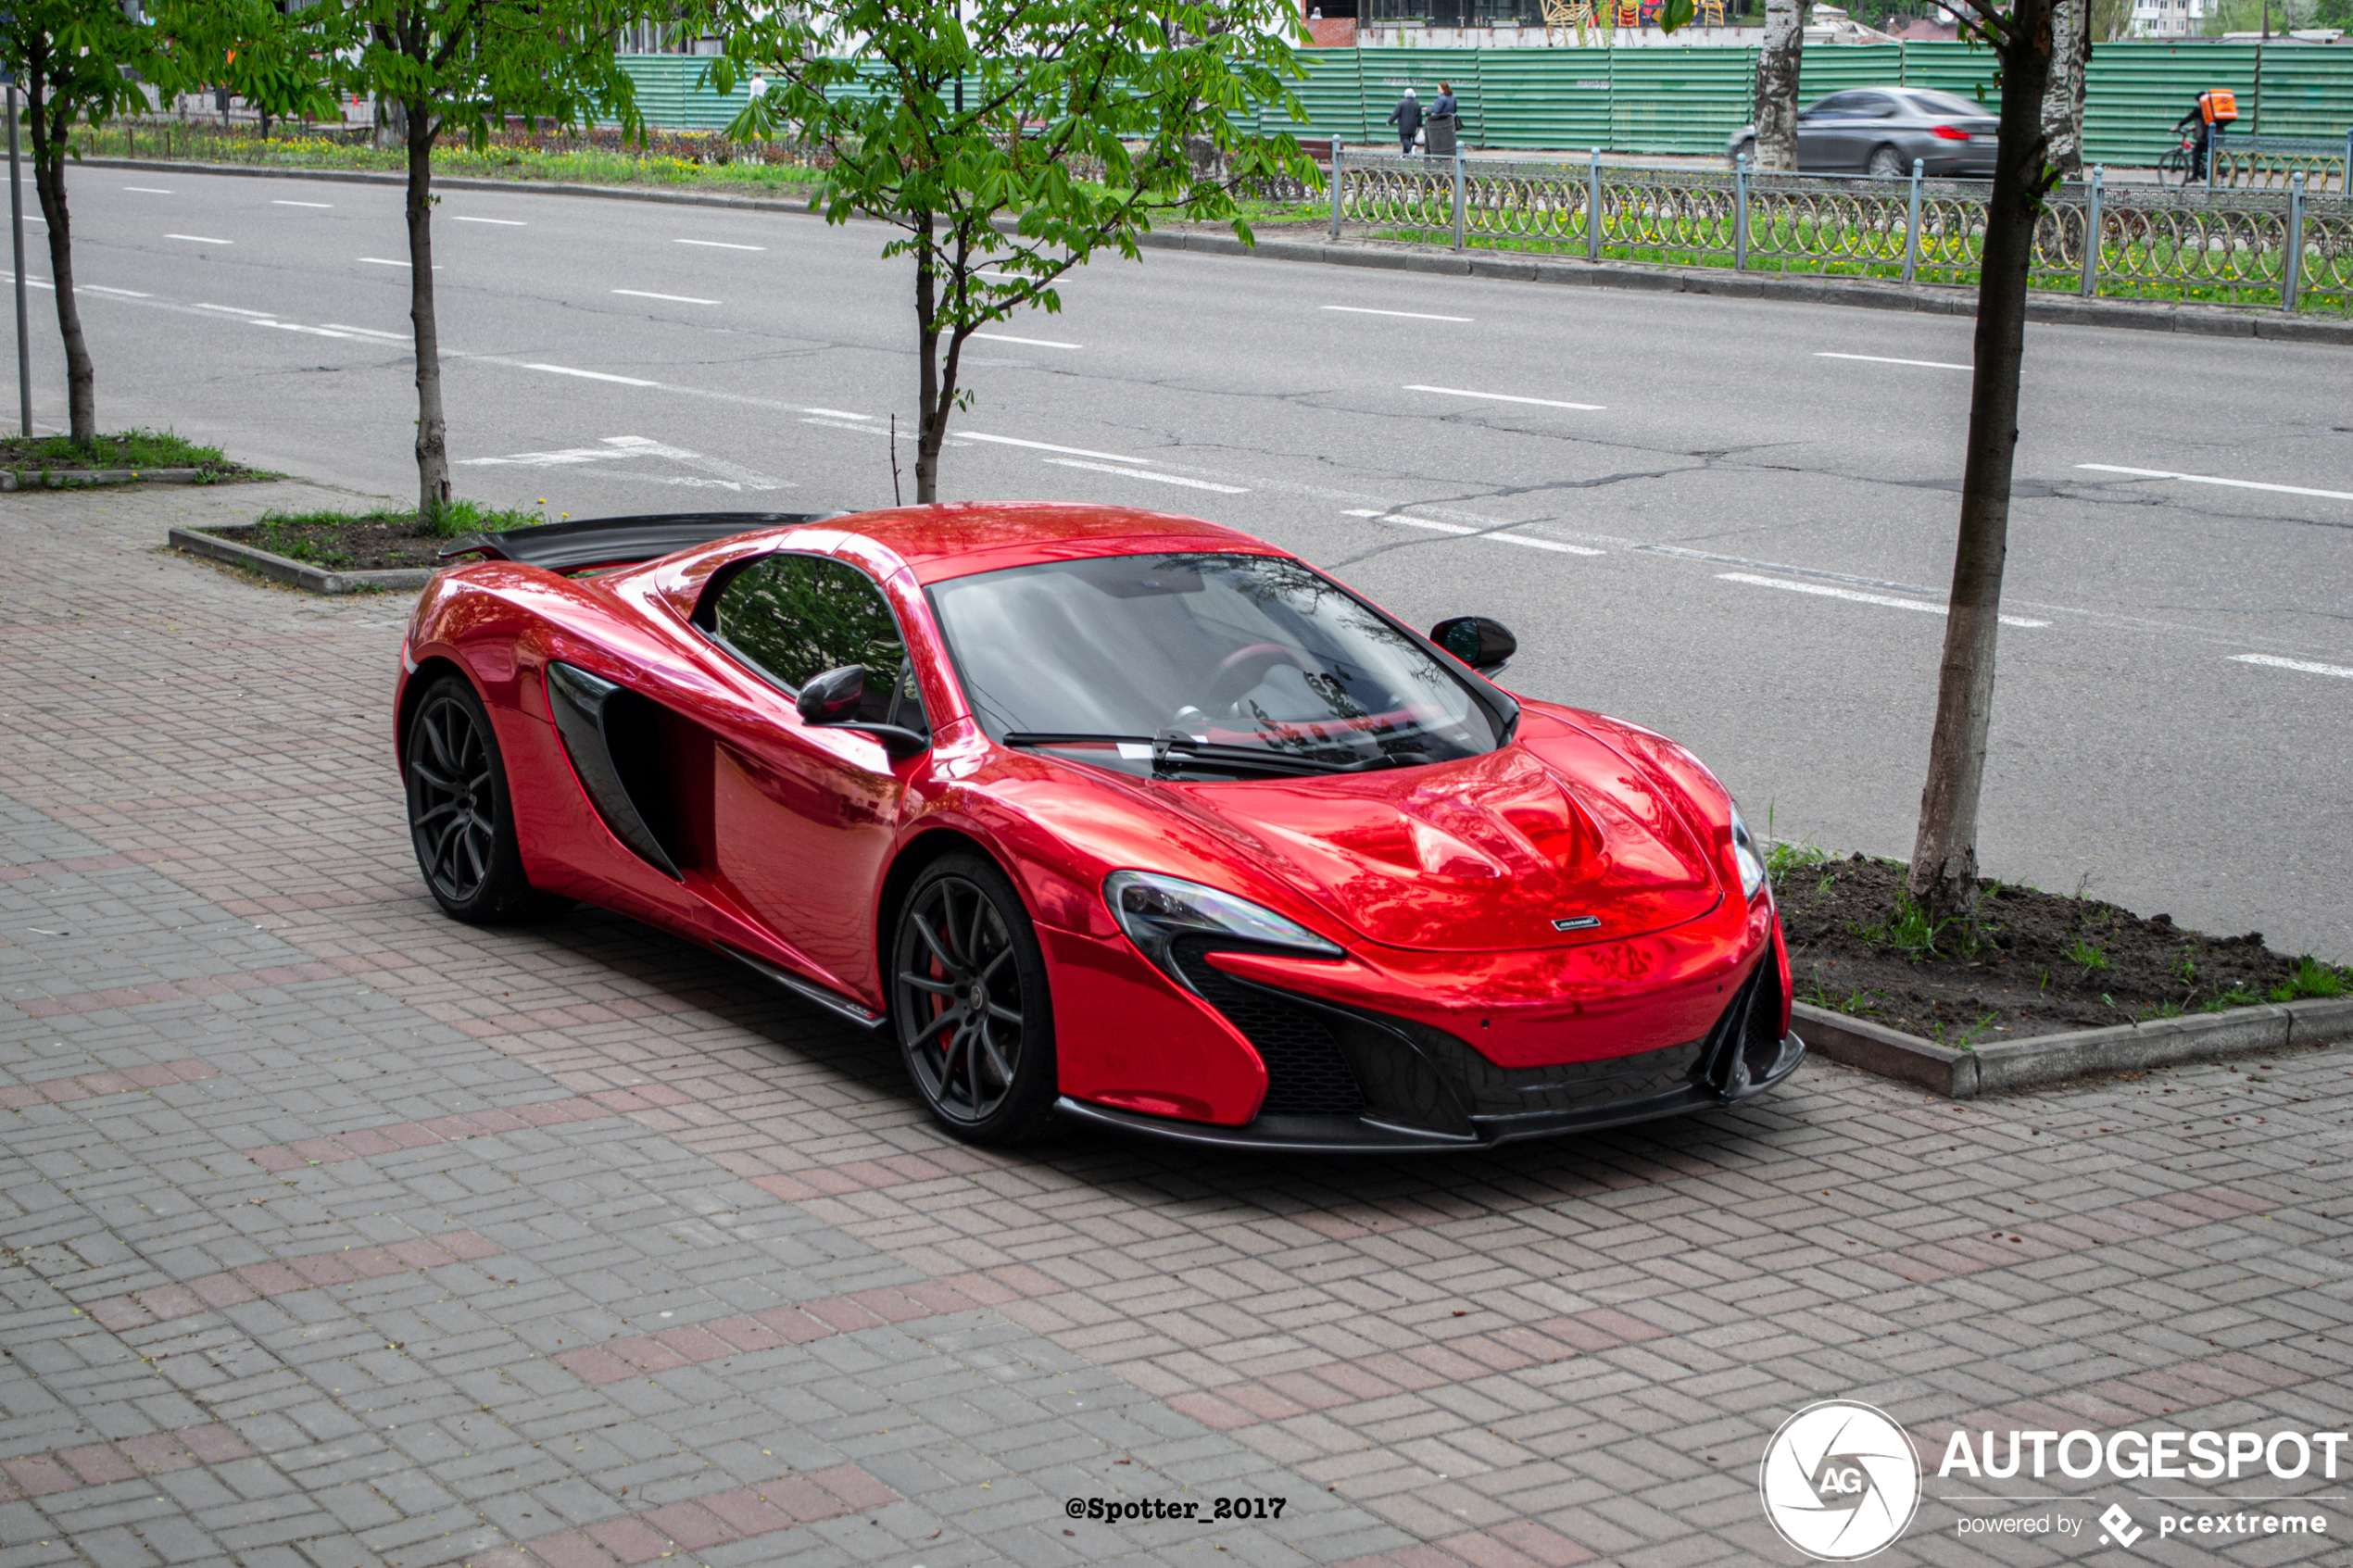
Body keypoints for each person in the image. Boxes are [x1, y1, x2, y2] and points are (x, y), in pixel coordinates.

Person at [1387, 88, 1422, 156]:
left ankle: (1411, 147)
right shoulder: (1417, 103)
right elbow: (1419, 116)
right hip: (1413, 126)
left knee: (1404, 139)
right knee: (1407, 138)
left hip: (1403, 125)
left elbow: (1395, 113)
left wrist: (1389, 121)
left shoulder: (1401, 103)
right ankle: (1405, 155)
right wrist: (1419, 125)